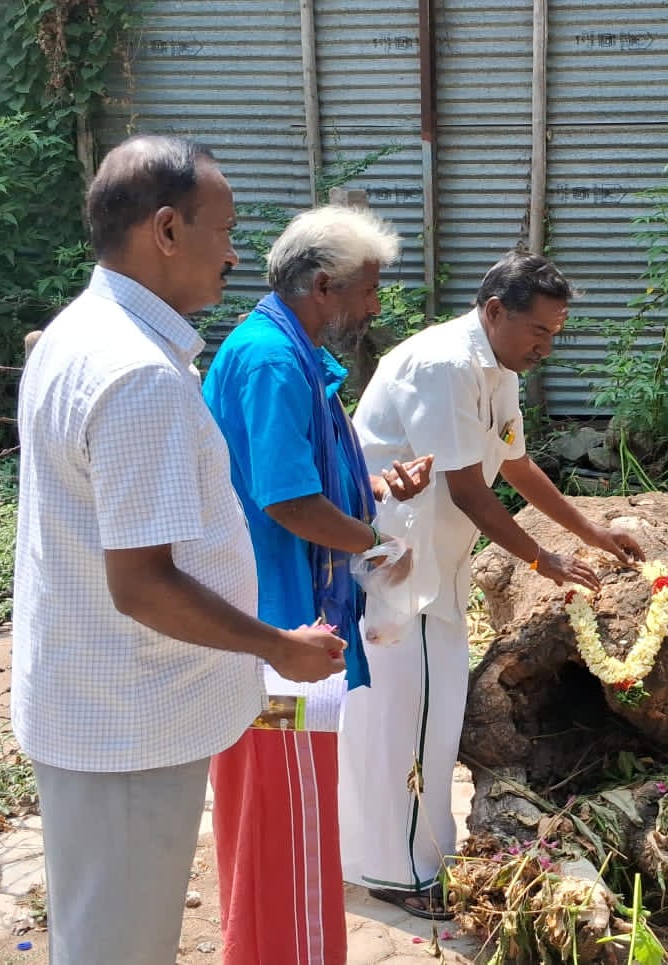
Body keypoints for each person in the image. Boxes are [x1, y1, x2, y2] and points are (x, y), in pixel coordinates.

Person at [13, 135, 345, 965]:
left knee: (103, 930)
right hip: (126, 718)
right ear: (166, 230)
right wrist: (279, 646)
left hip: (103, 699)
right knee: (118, 947)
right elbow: (144, 585)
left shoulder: (80, 332)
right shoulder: (137, 376)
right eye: (224, 230)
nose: (236, 254)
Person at [337, 250, 644, 918]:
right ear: (495, 310)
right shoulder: (444, 365)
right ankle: (399, 870)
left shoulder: (496, 365)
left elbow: (517, 464)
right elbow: (470, 490)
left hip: (435, 568)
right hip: (397, 567)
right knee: (404, 718)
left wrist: (588, 531)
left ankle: (402, 854)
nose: (546, 346)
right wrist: (543, 559)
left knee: (426, 715)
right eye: (540, 330)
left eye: (556, 333)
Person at [202, 205, 433, 964]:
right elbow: (286, 499)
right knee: (286, 828)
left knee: (267, 824)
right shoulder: (272, 359)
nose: (374, 305)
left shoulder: (282, 350)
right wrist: (376, 541)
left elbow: (302, 481)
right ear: (323, 283)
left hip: (272, 628)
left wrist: (370, 488)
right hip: (279, 635)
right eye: (367, 289)